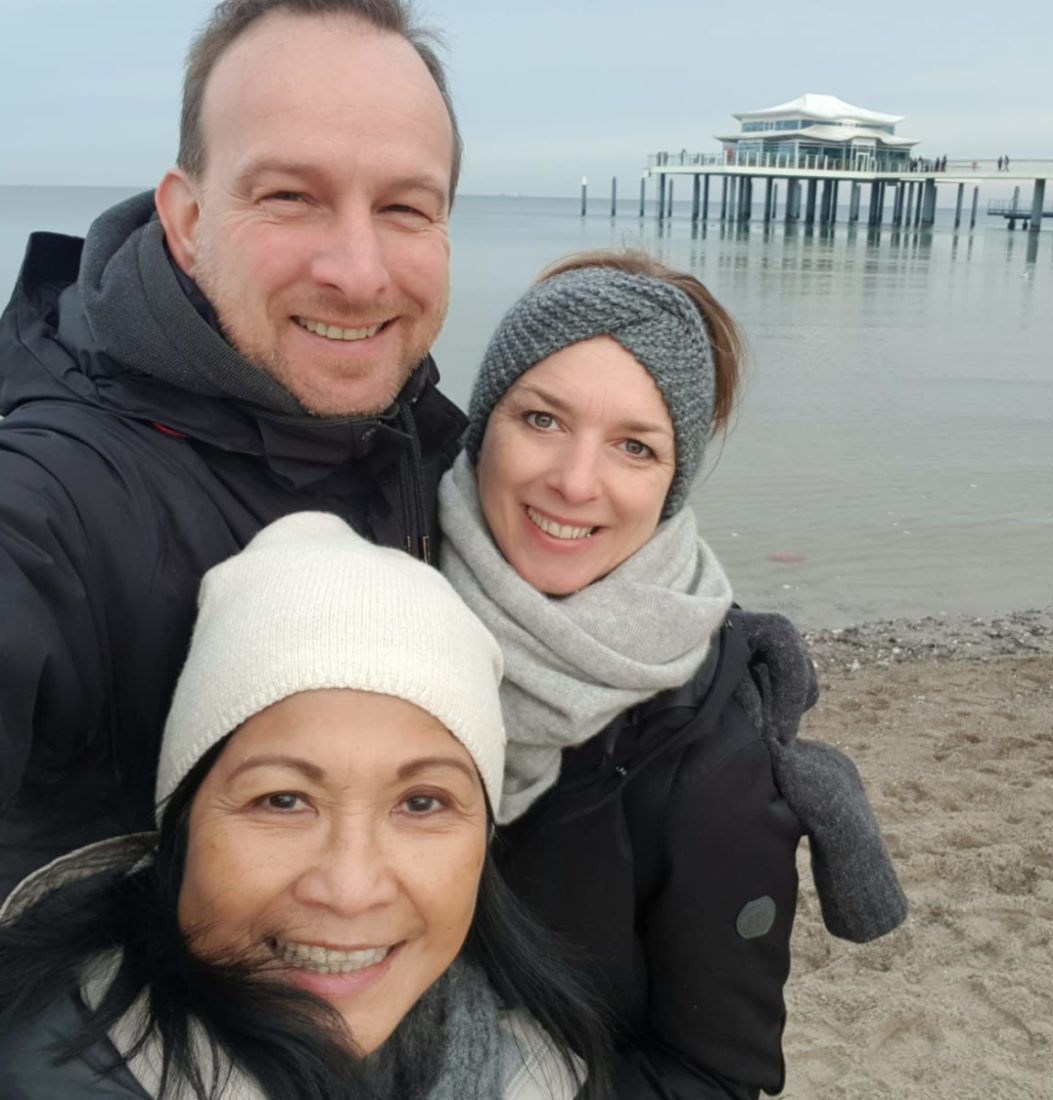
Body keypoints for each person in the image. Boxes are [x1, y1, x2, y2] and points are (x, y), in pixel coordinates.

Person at [0, 0, 468, 897]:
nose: (358, 271)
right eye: (290, 196)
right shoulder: (61, 497)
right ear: (186, 219)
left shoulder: (429, 450)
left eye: (406, 207)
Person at [438, 250, 907, 1098]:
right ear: (483, 423)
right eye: (541, 419)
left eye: (635, 446)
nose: (575, 481)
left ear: (673, 482)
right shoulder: (382, 601)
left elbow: (713, 1074)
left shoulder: (713, 760)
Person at [0, 512, 612, 1099]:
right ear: (181, 822)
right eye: (283, 800)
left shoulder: (544, 1073)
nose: (349, 890)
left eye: (422, 802)